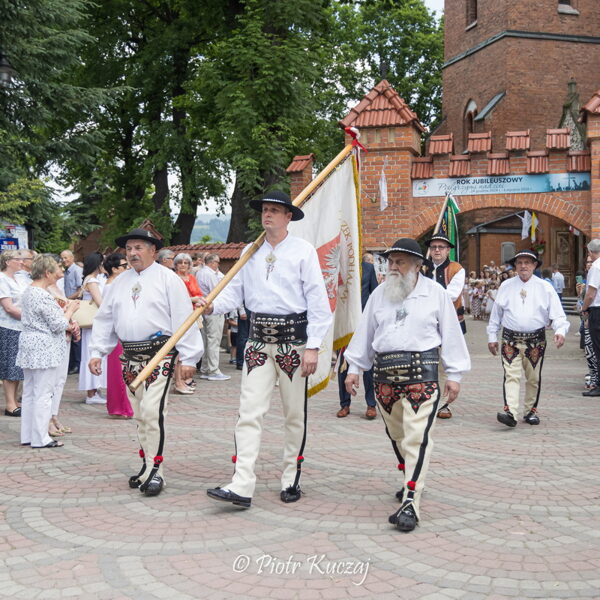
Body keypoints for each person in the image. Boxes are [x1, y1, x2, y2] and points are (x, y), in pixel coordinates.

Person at [205, 190, 332, 508]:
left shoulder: (303, 251)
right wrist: (211, 306)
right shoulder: (250, 251)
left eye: (275, 210)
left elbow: (318, 301)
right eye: (265, 210)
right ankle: (241, 483)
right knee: (249, 412)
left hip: (293, 342)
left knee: (294, 414)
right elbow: (234, 293)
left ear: (288, 217)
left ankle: (291, 477)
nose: (268, 215)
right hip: (257, 342)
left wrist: (313, 346)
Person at [344, 238, 470, 532]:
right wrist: (354, 368)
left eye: (400, 262)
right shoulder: (379, 294)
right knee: (398, 436)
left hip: (422, 377)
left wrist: (455, 374)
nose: (393, 267)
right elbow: (365, 333)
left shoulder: (436, 294)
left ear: (417, 265)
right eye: (390, 262)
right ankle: (411, 477)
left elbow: (451, 334)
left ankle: (411, 501)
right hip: (384, 380)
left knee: (417, 438)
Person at [89, 228, 203, 496]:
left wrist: (189, 356)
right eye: (129, 248)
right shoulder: (119, 282)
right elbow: (105, 318)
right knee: (140, 414)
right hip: (129, 357)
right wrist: (97, 351)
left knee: (153, 412)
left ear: (153, 250)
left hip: (159, 356)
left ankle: (157, 471)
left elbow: (183, 317)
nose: (132, 253)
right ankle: (146, 465)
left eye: (139, 247)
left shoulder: (168, 279)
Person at [487, 249, 569, 426]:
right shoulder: (506, 286)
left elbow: (558, 314)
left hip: (535, 341)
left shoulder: (545, 287)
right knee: (511, 376)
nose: (523, 266)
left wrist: (560, 331)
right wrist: (492, 336)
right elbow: (496, 314)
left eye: (527, 262)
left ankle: (530, 411)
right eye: (520, 263)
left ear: (534, 265)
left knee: (533, 378)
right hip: (510, 339)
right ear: (515, 266)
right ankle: (511, 412)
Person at [17, 255, 80, 448]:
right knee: (43, 393)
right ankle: (40, 437)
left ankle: (28, 435)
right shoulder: (41, 294)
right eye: (54, 271)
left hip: (30, 342)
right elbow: (58, 324)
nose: (57, 275)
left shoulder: (29, 291)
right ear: (47, 273)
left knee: (30, 391)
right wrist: (70, 310)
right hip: (43, 345)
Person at [424, 232, 467, 419]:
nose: (437, 250)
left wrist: (427, 299)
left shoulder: (457, 269)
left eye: (441, 247)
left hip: (450, 321)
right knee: (426, 361)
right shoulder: (421, 267)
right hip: (426, 322)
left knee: (446, 362)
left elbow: (452, 294)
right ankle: (427, 399)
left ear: (448, 250)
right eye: (433, 247)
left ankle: (443, 404)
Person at [337, 254, 379, 419]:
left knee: (369, 366)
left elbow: (375, 293)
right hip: (346, 323)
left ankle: (371, 404)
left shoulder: (368, 268)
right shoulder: (340, 269)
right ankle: (344, 404)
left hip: (364, 321)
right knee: (344, 365)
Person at [102, 253, 133, 418]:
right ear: (114, 269)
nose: (127, 268)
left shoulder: (118, 284)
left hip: (121, 331)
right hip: (116, 332)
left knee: (123, 370)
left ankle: (122, 406)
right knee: (119, 371)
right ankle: (121, 407)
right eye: (124, 266)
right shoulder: (111, 286)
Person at [0, 251, 27, 416]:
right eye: (18, 259)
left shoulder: (19, 278)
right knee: (10, 366)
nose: (21, 262)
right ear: (8, 262)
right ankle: (10, 404)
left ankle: (15, 401)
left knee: (17, 367)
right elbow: (9, 307)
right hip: (8, 326)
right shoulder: (2, 279)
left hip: (21, 327)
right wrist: (30, 318)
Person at [78, 252, 107, 404]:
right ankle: (91, 392)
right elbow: (100, 302)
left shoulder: (90, 279)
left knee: (91, 354)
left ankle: (95, 390)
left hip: (92, 323)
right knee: (91, 354)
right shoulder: (92, 280)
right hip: (93, 323)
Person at [196, 253, 230, 381]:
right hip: (213, 309)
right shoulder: (209, 274)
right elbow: (218, 290)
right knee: (213, 340)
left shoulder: (202, 272)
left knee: (206, 340)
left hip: (206, 309)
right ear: (212, 262)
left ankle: (206, 368)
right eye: (217, 262)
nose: (218, 265)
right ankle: (213, 370)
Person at [173, 252, 203, 394]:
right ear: (176, 265)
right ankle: (178, 381)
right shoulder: (174, 279)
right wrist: (193, 300)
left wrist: (197, 300)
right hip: (179, 316)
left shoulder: (192, 277)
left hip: (193, 314)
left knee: (192, 346)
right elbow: (176, 299)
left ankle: (186, 378)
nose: (183, 265)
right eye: (180, 262)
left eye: (186, 262)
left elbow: (199, 294)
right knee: (180, 349)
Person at [581, 239, 600, 397]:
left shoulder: (596, 267)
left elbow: (591, 293)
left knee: (597, 349)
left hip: (597, 311)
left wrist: (584, 308)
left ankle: (599, 385)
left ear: (590, 252)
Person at [61, 250, 83, 374]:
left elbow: (80, 290)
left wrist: (68, 299)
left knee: (76, 334)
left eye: (66, 257)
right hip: (68, 306)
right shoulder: (66, 271)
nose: (64, 260)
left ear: (72, 257)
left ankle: (77, 364)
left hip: (74, 305)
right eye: (62, 258)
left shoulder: (76, 270)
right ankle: (72, 363)